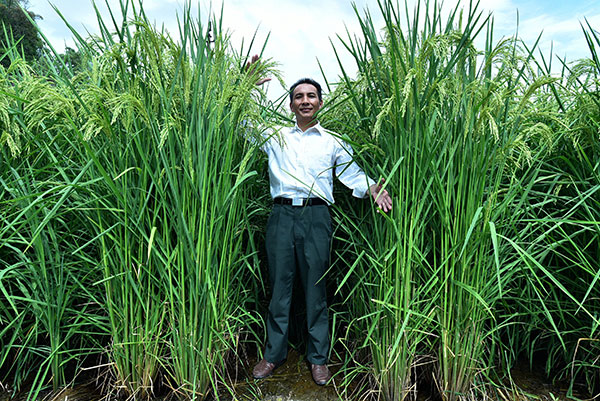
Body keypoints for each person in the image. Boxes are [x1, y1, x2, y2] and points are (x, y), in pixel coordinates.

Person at [247, 58, 392, 386]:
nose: (305, 101)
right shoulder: (275, 137)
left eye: (311, 96)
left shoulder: (333, 141)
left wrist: (372, 187)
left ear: (320, 102)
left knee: (316, 288)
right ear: (291, 104)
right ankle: (273, 355)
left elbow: (353, 175)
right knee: (279, 288)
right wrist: (249, 87)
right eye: (299, 96)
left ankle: (318, 359)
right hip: (281, 216)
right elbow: (246, 124)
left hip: (316, 216)